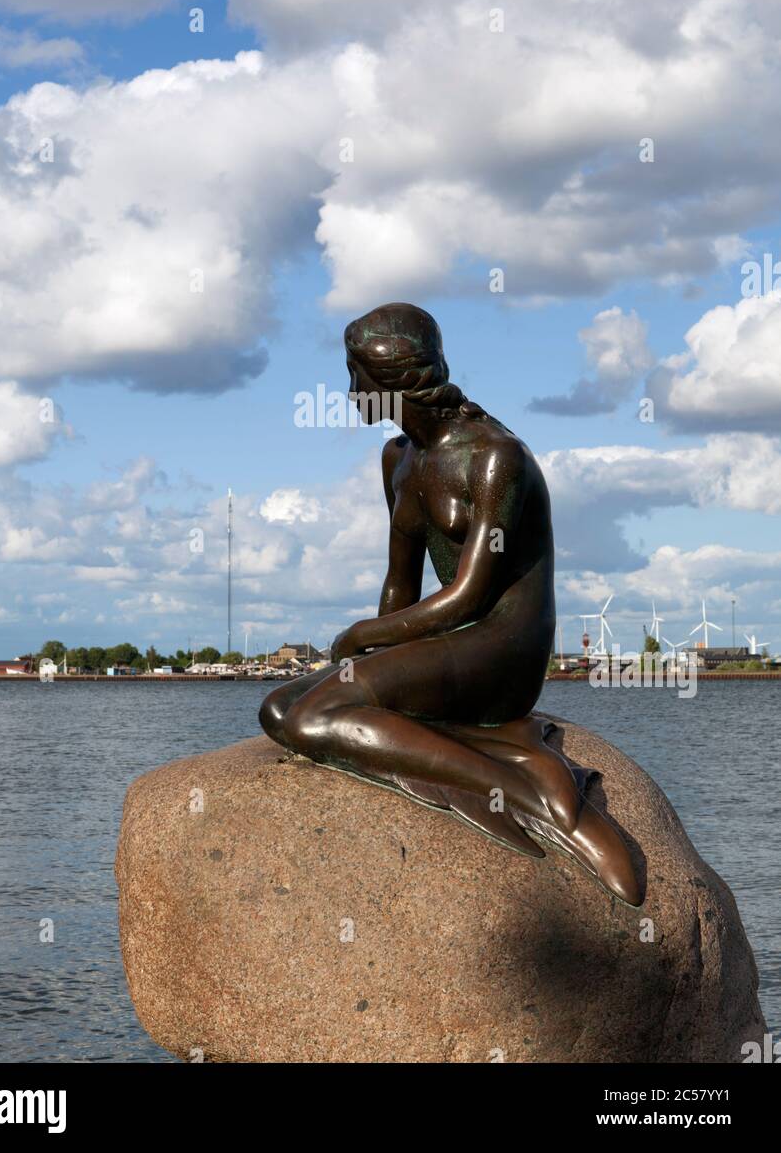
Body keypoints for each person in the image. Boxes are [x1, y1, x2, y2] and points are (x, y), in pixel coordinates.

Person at [260, 303, 640, 904]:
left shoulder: (496, 458)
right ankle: (465, 752)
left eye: (355, 376)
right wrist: (373, 644)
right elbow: (399, 584)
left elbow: (470, 594)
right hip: (446, 639)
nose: (350, 391)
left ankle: (518, 787)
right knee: (281, 710)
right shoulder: (398, 459)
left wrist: (361, 639)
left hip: (500, 649)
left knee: (312, 717)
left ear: (391, 381)